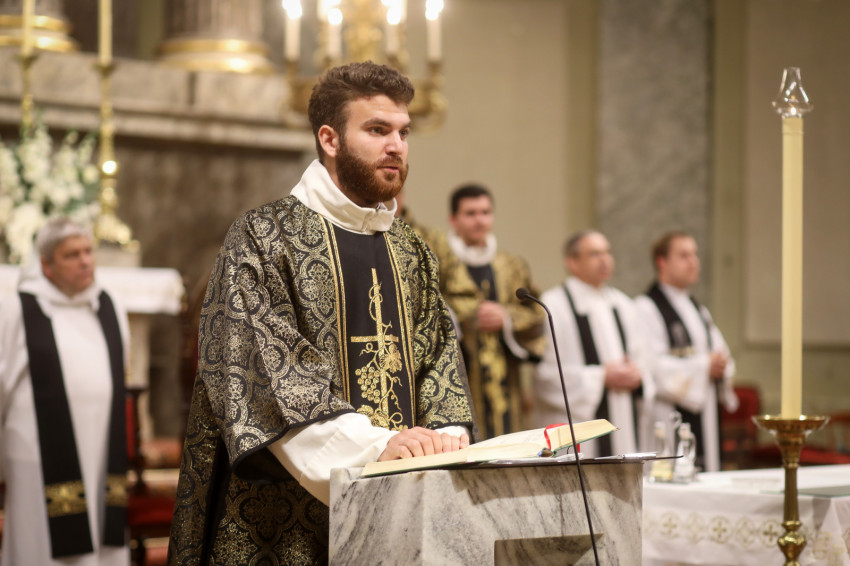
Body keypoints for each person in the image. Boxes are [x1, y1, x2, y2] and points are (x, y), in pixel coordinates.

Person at [167, 62, 474, 565]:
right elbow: (265, 373)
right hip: (285, 519)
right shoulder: (263, 237)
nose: (396, 146)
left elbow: (439, 360)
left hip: (404, 504)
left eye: (403, 132)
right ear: (329, 140)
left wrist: (445, 441)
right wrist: (375, 449)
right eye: (377, 130)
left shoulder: (410, 249)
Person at [0, 217, 130, 565]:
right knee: (39, 540)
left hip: (102, 446)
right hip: (36, 450)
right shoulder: (18, 309)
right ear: (46, 264)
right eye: (72, 255)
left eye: (88, 251)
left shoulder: (108, 306)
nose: (85, 261)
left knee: (101, 531)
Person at [429, 185, 545, 439]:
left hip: (506, 381)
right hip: (458, 378)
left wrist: (506, 318)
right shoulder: (437, 263)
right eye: (470, 213)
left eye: (485, 212)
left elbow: (537, 314)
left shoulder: (511, 265)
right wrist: (462, 318)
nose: (480, 220)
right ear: (453, 219)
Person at [532, 230, 653, 457]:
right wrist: (601, 378)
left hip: (624, 419)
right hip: (578, 428)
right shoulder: (552, 306)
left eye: (608, 252)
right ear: (573, 262)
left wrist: (638, 376)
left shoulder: (624, 304)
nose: (604, 259)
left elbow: (644, 361)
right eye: (594, 254)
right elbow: (544, 376)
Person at [635, 231, 738, 472]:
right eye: (684, 255)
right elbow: (651, 367)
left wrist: (721, 366)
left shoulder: (697, 308)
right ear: (662, 261)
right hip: (668, 415)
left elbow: (721, 354)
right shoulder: (645, 308)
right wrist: (704, 367)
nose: (694, 262)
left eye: (695, 254)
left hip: (706, 412)